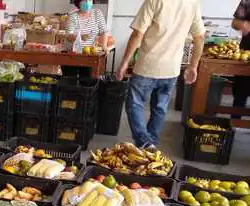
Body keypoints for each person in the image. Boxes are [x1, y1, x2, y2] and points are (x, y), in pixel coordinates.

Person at [116, 0, 206, 148]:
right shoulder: (192, 3)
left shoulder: (154, 1)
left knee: (134, 104)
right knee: (160, 107)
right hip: (171, 69)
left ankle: (144, 142)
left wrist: (125, 62)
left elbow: (138, 33)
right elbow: (200, 37)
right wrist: (193, 66)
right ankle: (150, 143)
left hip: (147, 66)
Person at [62, 0, 108, 77]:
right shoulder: (73, 16)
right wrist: (79, 37)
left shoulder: (97, 13)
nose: (87, 2)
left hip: (89, 54)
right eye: (84, 0)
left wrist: (104, 46)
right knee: (70, 81)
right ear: (78, 2)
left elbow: (104, 31)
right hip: (72, 54)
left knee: (87, 80)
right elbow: (68, 35)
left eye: (89, 0)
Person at [231, 0, 250, 119]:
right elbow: (235, 23)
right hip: (247, 51)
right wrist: (243, 24)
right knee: (240, 91)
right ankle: (233, 125)